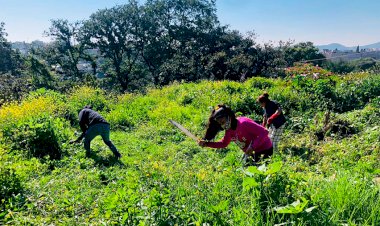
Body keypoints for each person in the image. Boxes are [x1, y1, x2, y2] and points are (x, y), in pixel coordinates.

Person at [198, 104, 273, 165]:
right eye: (220, 124)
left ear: (229, 117)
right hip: (252, 152)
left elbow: (264, 132)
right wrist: (207, 144)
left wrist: (252, 147)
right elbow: (224, 143)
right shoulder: (229, 130)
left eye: (223, 122)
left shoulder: (244, 123)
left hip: (265, 149)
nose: (222, 125)